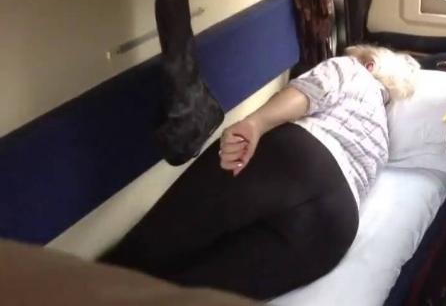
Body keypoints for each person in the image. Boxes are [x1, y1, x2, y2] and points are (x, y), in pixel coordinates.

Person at [100, 45, 420, 299]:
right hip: (336, 226)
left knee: (157, 243)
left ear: (370, 64)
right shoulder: (382, 142)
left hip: (301, 159)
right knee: (188, 293)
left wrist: (256, 122)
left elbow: (310, 92)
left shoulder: (354, 70)